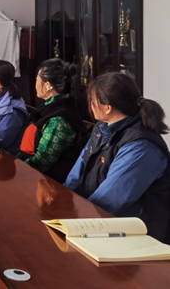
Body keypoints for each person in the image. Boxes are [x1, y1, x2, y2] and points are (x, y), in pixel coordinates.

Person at [63, 72, 170, 242]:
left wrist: (77, 221)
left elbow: (109, 201)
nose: (89, 105)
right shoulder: (102, 128)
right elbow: (78, 170)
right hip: (97, 221)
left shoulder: (141, 146)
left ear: (108, 107)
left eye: (92, 101)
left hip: (134, 235)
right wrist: (64, 202)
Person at [16, 59, 90, 183]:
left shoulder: (59, 121)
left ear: (48, 85)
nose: (36, 83)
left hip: (49, 183)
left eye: (37, 79)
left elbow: (41, 163)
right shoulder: (53, 106)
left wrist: (15, 168)